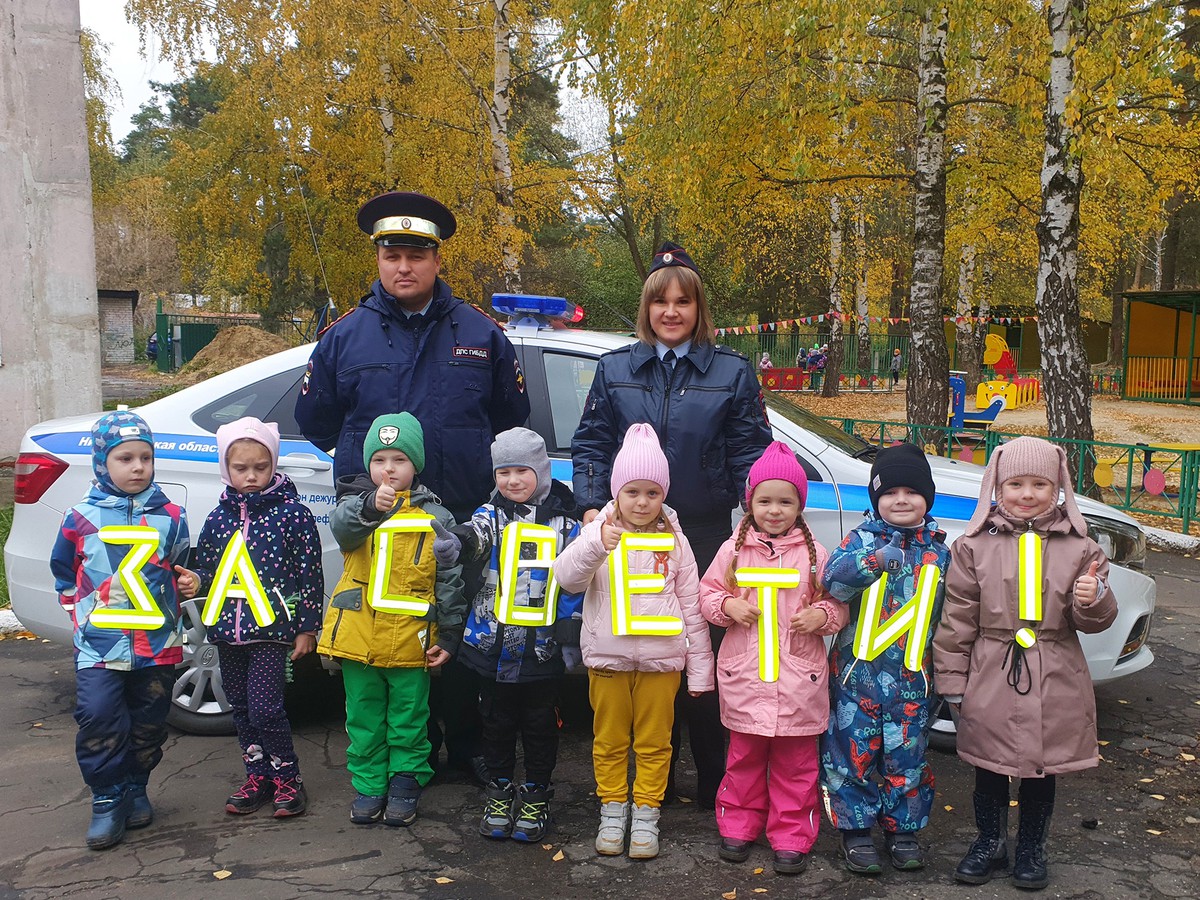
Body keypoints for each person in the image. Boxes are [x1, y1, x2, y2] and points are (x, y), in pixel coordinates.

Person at [295, 190, 529, 782]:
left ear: (437, 259)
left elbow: (511, 415)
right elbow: (314, 422)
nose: (404, 266)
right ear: (377, 259)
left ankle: (467, 744)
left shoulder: (480, 331)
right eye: (392, 254)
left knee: (459, 628)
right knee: (389, 628)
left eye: (417, 254)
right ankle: (404, 757)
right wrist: (362, 481)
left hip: (458, 514)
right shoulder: (344, 336)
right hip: (375, 522)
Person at [571, 240, 771, 809]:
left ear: (698, 308)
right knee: (639, 653)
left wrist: (756, 516)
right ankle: (640, 790)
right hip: (628, 536)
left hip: (703, 534)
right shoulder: (615, 369)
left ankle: (714, 784)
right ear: (647, 308)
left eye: (684, 301)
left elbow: (749, 454)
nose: (672, 312)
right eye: (661, 302)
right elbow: (590, 445)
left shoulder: (731, 372)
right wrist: (591, 504)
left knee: (701, 656)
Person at [933, 436, 1117, 890]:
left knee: (1042, 765)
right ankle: (989, 842)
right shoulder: (974, 546)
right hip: (993, 669)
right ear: (998, 486)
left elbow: (1092, 620)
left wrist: (1093, 601)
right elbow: (957, 616)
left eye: (1040, 483)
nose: (1028, 493)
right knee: (989, 763)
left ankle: (1032, 848)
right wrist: (953, 679)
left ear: (1057, 488)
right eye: (1016, 483)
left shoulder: (1081, 548)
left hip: (1056, 670)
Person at [554, 424, 714, 860]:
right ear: (616, 492)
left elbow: (692, 608)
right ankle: (612, 808)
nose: (642, 502)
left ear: (663, 494)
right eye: (632, 492)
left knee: (655, 742)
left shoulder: (677, 544)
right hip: (607, 658)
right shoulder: (597, 533)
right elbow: (565, 579)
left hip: (662, 664)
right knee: (608, 739)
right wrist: (595, 546)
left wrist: (700, 669)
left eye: (652, 493)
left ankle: (646, 812)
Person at [698, 442, 845, 876]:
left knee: (797, 766)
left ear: (800, 504)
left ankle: (792, 835)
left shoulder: (816, 553)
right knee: (742, 759)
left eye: (786, 501)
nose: (774, 510)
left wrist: (822, 615)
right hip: (746, 677)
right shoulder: (732, 550)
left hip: (799, 679)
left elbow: (838, 606)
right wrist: (728, 608)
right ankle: (738, 826)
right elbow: (707, 594)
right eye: (765, 500)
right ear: (750, 501)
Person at [317, 413, 466, 827]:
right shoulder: (355, 505)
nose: (388, 468)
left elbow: (450, 580)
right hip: (357, 639)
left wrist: (450, 634)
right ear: (368, 465)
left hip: (411, 640)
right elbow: (343, 530)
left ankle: (405, 779)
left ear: (415, 466)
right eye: (379, 459)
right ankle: (369, 783)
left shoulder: (436, 515)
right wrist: (370, 506)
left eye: (399, 459)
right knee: (363, 715)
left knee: (409, 716)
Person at [49, 411, 190, 850]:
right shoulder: (81, 518)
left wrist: (193, 581)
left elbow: (186, 563)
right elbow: (63, 570)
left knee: (149, 723)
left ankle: (135, 786)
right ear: (102, 462)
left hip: (157, 645)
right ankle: (106, 799)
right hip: (99, 646)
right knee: (99, 717)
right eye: (125, 458)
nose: (137, 467)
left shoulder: (171, 515)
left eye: (145, 458)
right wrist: (80, 615)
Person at [435, 427, 583, 842]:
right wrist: (456, 543)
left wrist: (569, 634)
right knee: (495, 724)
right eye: (504, 472)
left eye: (522, 470)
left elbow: (574, 579)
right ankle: (500, 790)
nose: (512, 480)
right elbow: (475, 538)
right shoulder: (491, 515)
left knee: (539, 726)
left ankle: (536, 793)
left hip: (542, 647)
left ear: (542, 470)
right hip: (491, 643)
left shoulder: (566, 521)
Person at [174, 417, 323, 818]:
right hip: (226, 632)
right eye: (242, 469)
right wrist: (196, 581)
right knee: (240, 706)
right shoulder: (218, 518)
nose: (252, 476)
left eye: (261, 467)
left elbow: (310, 572)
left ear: (273, 464)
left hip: (272, 631)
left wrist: (307, 627)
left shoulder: (294, 514)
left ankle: (288, 779)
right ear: (227, 469)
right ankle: (257, 776)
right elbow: (208, 567)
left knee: (266, 708)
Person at [818, 442, 951, 873]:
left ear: (927, 499)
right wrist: (872, 561)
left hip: (912, 681)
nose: (901, 500)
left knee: (907, 758)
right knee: (850, 756)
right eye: (890, 492)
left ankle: (903, 830)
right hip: (857, 679)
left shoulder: (939, 552)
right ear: (876, 498)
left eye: (912, 492)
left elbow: (955, 611)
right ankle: (855, 831)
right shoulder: (860, 540)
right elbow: (832, 582)